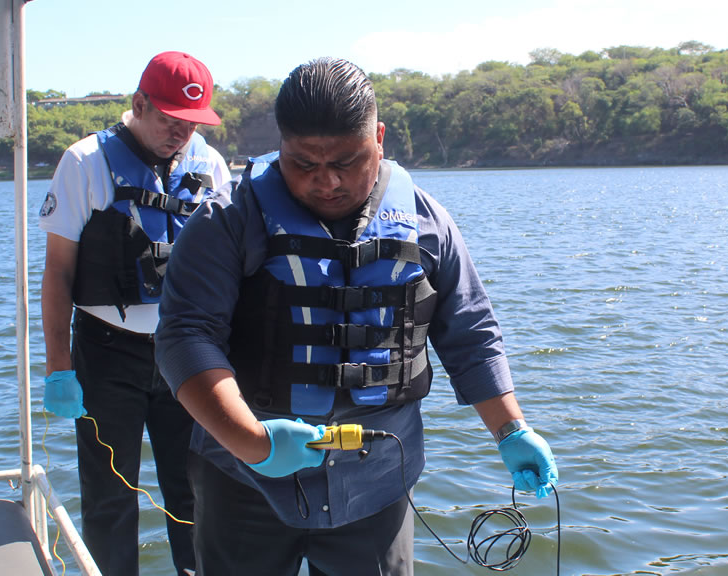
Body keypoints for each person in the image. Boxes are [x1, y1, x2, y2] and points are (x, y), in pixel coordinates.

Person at [155, 56, 558, 575]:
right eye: (303, 163)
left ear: (380, 138)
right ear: (280, 145)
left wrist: (510, 430)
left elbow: (471, 334)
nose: (326, 181)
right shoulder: (225, 220)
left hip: (377, 484)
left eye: (346, 161)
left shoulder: (428, 224)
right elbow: (185, 338)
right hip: (244, 480)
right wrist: (251, 443)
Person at [38, 51, 232, 576]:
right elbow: (57, 274)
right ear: (138, 103)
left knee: (195, 492)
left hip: (186, 350)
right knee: (107, 497)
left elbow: (231, 271)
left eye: (191, 124)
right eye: (169, 120)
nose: (180, 133)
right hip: (105, 351)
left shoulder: (209, 165)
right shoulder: (84, 162)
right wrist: (59, 367)